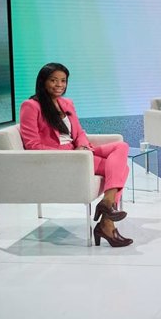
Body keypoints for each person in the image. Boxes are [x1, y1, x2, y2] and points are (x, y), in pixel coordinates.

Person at [19, 63, 133, 247]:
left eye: (63, 81)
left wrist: (81, 146)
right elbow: (32, 145)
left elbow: (79, 132)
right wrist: (70, 153)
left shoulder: (67, 103)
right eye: (53, 80)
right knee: (123, 169)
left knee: (122, 147)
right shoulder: (31, 106)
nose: (59, 85)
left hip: (79, 152)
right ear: (43, 82)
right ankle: (106, 222)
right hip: (63, 158)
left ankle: (107, 203)